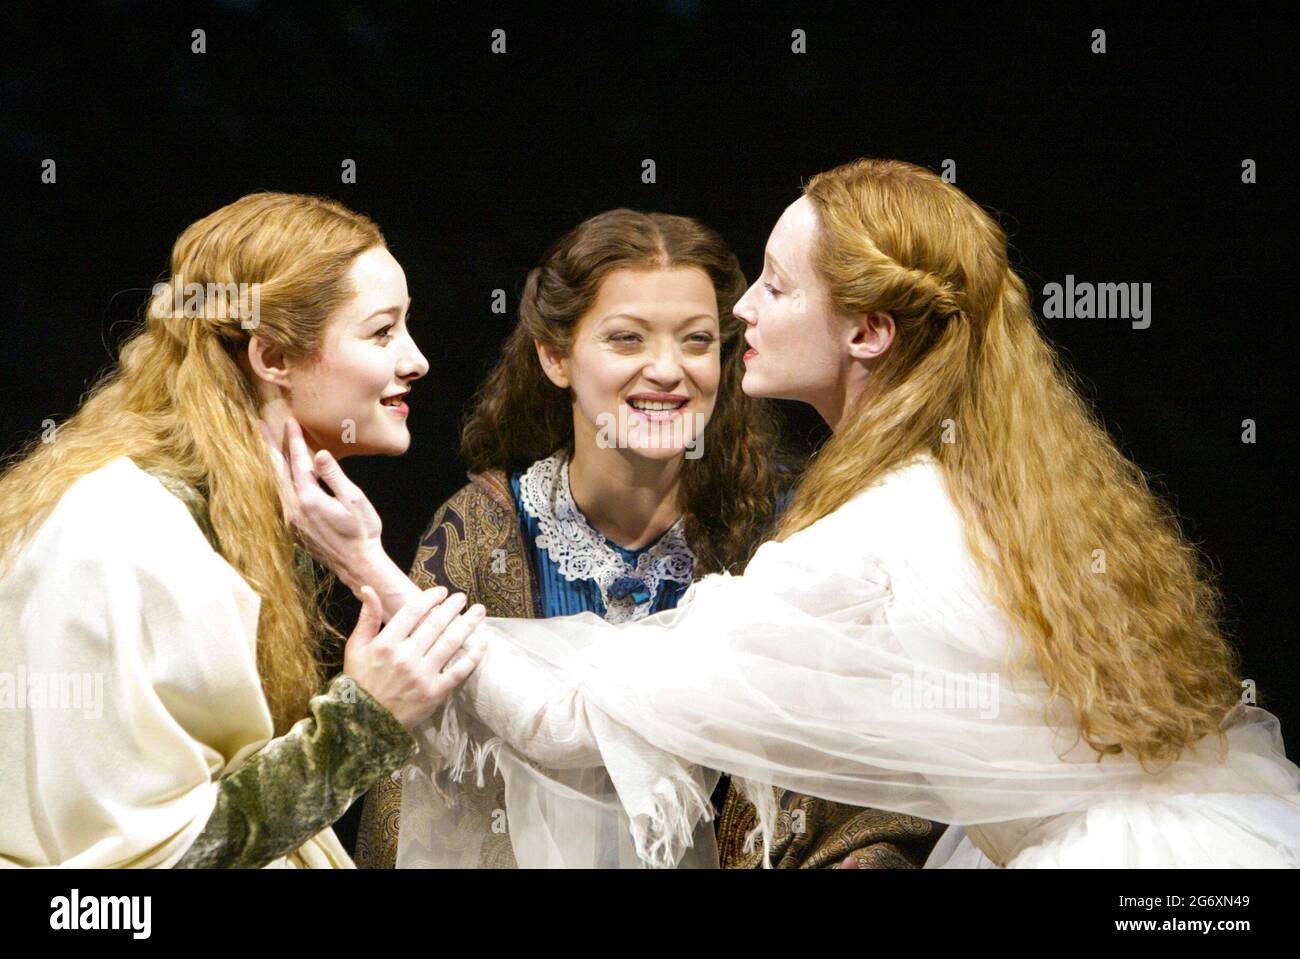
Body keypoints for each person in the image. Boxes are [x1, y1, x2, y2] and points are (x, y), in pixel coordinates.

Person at [285, 160, 1300, 868]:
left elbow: (571, 724)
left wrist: (363, 560)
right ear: (556, 356)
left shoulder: (870, 530)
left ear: (864, 329)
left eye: (773, 287)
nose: (741, 315)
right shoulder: (979, 473)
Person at [351, 208, 939, 869]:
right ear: (554, 354)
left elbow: (869, 775)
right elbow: (425, 788)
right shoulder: (479, 535)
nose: (666, 370)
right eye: (627, 340)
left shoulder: (794, 527)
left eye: (694, 341)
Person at [0, 192, 485, 868]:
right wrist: (359, 725)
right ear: (273, 358)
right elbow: (132, 879)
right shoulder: (128, 535)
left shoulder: (237, 514)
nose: (416, 359)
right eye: (381, 332)